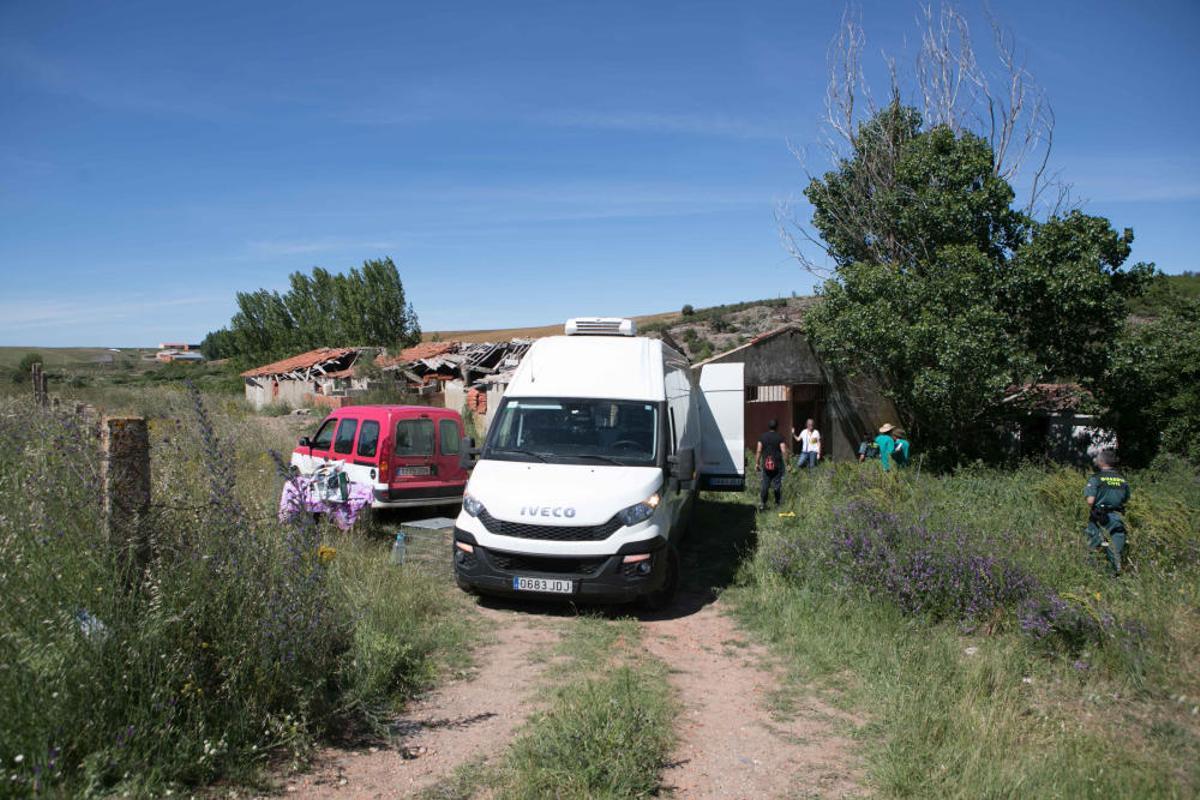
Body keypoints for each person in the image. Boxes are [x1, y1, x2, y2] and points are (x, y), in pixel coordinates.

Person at [1084, 448, 1131, 576]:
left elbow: (1090, 501)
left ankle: (1091, 574)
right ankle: (1114, 576)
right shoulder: (1122, 480)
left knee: (1093, 547)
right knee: (1115, 550)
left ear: (1101, 462)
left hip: (1100, 518)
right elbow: (1126, 499)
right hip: (1118, 518)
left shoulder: (1096, 478)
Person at [755, 418, 789, 511]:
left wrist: (757, 463)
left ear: (768, 426)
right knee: (777, 485)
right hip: (777, 466)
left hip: (766, 466)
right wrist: (788, 463)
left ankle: (762, 504)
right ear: (777, 427)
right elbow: (784, 451)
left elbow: (758, 450)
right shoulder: (780, 437)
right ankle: (777, 504)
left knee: (765, 484)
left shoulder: (762, 437)